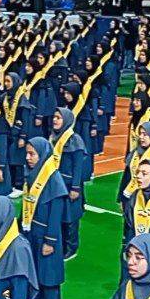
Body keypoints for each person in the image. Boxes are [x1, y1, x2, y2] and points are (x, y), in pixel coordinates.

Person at [22, 136, 68, 299]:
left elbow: (56, 214)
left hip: (47, 236)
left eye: (32, 154)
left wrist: (50, 240)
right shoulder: (31, 174)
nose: (28, 158)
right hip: (31, 232)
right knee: (36, 273)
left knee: (49, 275)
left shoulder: (53, 178)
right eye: (27, 153)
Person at [51, 107, 87, 259]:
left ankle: (71, 247)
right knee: (59, 216)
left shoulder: (74, 139)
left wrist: (75, 187)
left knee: (71, 218)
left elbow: (78, 166)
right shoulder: (53, 137)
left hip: (70, 185)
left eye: (58, 118)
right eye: (54, 117)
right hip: (57, 184)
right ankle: (61, 244)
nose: (55, 120)